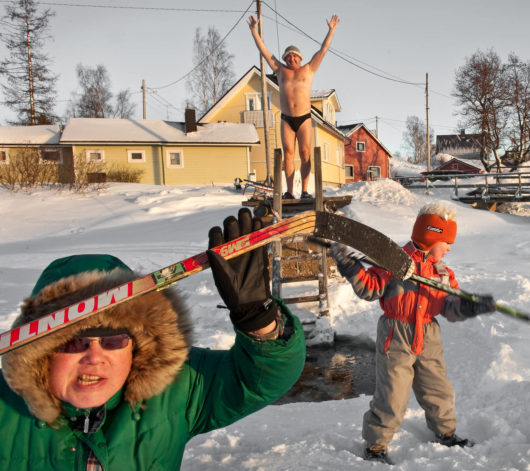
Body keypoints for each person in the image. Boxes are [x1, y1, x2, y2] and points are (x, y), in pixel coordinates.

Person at [0, 208, 306, 469]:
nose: (94, 357)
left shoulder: (175, 390)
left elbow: (259, 381)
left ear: (136, 347)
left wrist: (258, 319)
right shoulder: (6, 406)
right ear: (42, 352)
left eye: (112, 341)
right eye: (73, 342)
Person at [330, 202, 496, 464]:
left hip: (429, 336)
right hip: (395, 334)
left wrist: (470, 306)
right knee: (392, 394)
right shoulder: (393, 262)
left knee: (437, 388)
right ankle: (376, 445)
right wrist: (350, 267)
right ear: (431, 236)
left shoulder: (442, 273)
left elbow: (450, 310)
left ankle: (446, 432)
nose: (449, 248)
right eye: (446, 242)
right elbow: (369, 289)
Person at [248, 14, 340, 200]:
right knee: (288, 154)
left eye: (294, 56)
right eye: (287, 56)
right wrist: (254, 31)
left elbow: (323, 50)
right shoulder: (280, 70)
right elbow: (264, 51)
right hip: (286, 119)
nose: (291, 58)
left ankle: (305, 190)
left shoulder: (308, 69)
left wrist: (331, 30)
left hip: (304, 118)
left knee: (305, 153)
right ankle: (290, 191)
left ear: (299, 58)